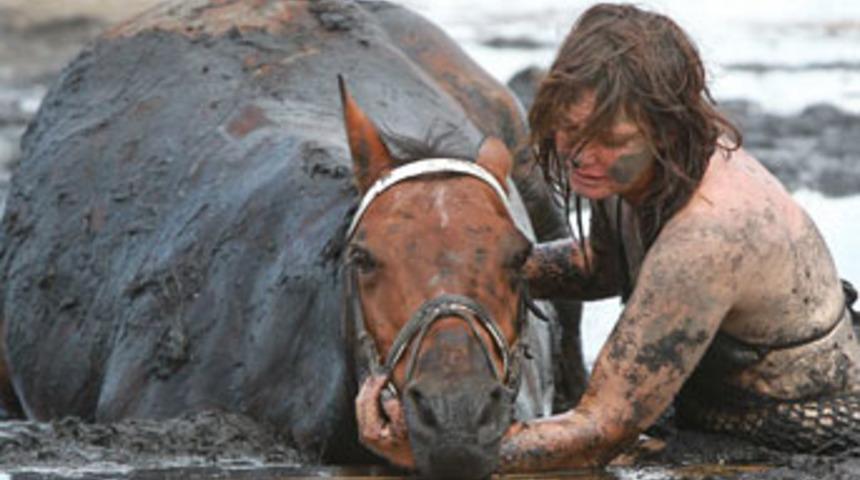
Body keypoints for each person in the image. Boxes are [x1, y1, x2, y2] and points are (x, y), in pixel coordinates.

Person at [356, 2, 860, 472]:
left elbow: (600, 431)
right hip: (707, 402)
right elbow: (602, 266)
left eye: (612, 140)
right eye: (570, 129)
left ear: (668, 130)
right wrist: (471, 270)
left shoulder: (709, 236)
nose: (581, 156)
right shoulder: (634, 170)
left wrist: (437, 447)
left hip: (794, 431)